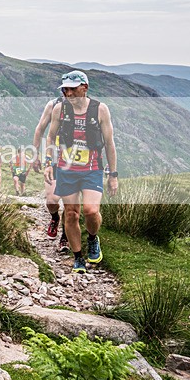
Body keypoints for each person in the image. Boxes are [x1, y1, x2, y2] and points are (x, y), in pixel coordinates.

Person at [44, 70, 118, 273]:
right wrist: (49, 162)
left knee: (91, 211)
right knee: (71, 214)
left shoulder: (100, 110)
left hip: (92, 169)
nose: (68, 93)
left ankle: (93, 238)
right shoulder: (59, 109)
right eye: (65, 89)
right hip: (67, 170)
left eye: (72, 89)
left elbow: (110, 144)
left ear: (84, 88)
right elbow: (50, 137)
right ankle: (77, 256)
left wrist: (113, 175)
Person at [33, 95, 68, 252]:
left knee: (70, 204)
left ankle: (65, 238)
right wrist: (36, 156)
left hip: (74, 161)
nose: (69, 93)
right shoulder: (53, 105)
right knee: (51, 200)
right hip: (54, 158)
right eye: (66, 90)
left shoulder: (86, 107)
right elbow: (40, 129)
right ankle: (55, 217)